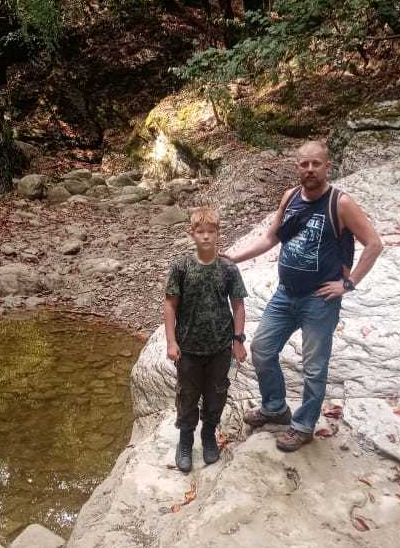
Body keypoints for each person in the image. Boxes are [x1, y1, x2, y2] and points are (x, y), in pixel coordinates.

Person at [224, 141, 383, 452]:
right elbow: (272, 237)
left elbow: (374, 244)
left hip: (319, 300)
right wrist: (232, 257)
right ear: (297, 167)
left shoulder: (340, 203)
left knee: (314, 366)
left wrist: (347, 285)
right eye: (304, 164)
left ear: (327, 167)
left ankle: (303, 425)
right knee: (262, 348)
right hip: (285, 294)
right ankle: (274, 408)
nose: (310, 169)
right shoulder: (291, 197)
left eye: (316, 164)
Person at [164, 207, 248, 473]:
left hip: (220, 347)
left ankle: (209, 434)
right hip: (188, 347)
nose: (206, 237)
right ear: (192, 234)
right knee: (187, 396)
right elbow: (170, 305)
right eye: (200, 232)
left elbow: (238, 306)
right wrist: (171, 341)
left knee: (216, 394)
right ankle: (186, 439)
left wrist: (238, 340)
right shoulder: (181, 266)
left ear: (218, 233)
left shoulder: (228, 268)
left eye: (211, 232)